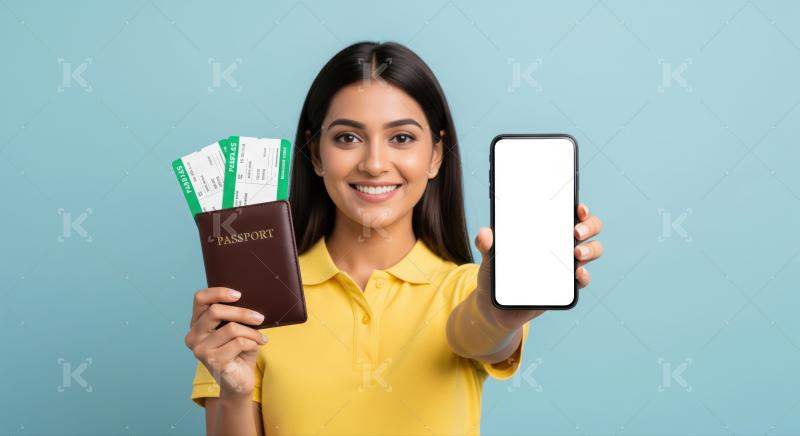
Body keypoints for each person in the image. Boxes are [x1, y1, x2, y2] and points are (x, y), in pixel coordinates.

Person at [184, 41, 604, 436]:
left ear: (435, 155)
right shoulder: (254, 301)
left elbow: (478, 333)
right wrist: (234, 391)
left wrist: (497, 314)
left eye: (401, 138)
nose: (374, 163)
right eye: (348, 137)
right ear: (315, 153)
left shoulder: (470, 289)